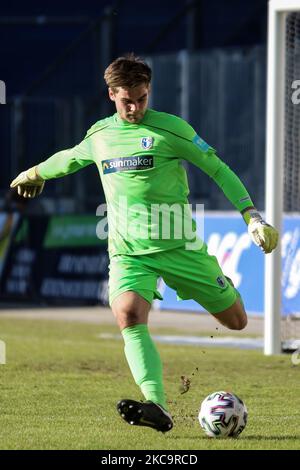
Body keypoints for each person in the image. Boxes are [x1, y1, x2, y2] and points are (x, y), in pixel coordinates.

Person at [10, 53, 279, 433]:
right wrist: (35, 172)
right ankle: (157, 405)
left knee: (235, 321)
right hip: (127, 251)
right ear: (111, 95)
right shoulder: (100, 136)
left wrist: (251, 215)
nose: (135, 106)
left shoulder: (171, 130)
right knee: (129, 316)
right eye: (126, 100)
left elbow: (218, 168)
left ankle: (222, 286)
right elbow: (70, 158)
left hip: (178, 246)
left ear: (148, 91)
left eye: (142, 97)